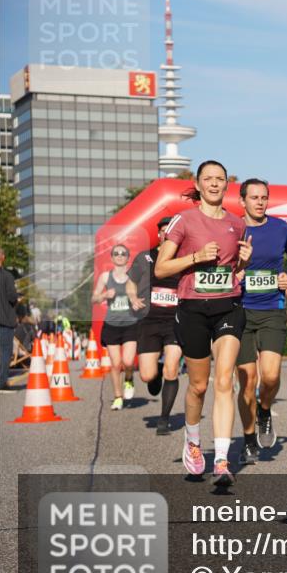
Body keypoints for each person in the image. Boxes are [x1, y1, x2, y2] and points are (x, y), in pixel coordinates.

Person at [155, 160, 252, 487]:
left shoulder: (237, 225)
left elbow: (234, 270)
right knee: (198, 385)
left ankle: (222, 460)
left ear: (227, 185)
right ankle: (194, 441)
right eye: (208, 179)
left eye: (220, 179)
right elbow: (161, 269)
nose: (214, 184)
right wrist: (195, 258)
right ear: (197, 185)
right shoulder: (184, 221)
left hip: (229, 306)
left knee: (225, 380)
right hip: (193, 308)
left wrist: (243, 264)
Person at [235, 178, 287, 462]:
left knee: (271, 376)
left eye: (264, 197)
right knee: (247, 380)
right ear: (243, 201)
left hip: (272, 308)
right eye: (254, 197)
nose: (260, 202)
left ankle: (264, 410)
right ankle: (249, 438)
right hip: (239, 311)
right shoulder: (233, 227)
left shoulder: (279, 228)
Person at [127, 216, 184, 435]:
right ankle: (156, 372)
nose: (165, 234)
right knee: (146, 376)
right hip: (149, 321)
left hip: (175, 321)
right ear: (158, 233)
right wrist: (133, 298)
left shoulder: (183, 258)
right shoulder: (145, 257)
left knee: (173, 368)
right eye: (162, 231)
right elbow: (131, 281)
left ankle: (164, 419)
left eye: (170, 231)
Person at [92, 243, 140, 410]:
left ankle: (128, 379)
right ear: (112, 257)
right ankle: (118, 396)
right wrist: (104, 295)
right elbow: (94, 298)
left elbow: (142, 298)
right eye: (116, 253)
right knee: (116, 363)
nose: (120, 256)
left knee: (128, 362)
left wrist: (137, 303)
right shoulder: (106, 277)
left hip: (130, 324)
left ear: (127, 257)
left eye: (123, 253)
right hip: (112, 324)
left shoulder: (133, 276)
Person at [0, 247, 20, 392]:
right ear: (3, 257)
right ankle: (1, 382)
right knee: (6, 351)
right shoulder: (7, 276)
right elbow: (12, 297)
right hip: (4, 320)